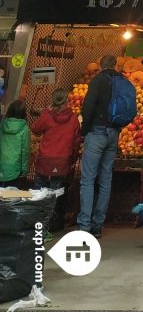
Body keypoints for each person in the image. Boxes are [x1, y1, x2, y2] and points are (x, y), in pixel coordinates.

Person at [77, 54, 134, 237]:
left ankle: (84, 225)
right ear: (116, 65)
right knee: (105, 179)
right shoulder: (122, 81)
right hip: (114, 133)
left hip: (96, 132)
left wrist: (84, 131)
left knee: (88, 179)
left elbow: (88, 106)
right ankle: (97, 225)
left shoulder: (98, 80)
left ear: (100, 65)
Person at [30, 88, 81, 231]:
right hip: (62, 160)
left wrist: (46, 112)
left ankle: (37, 222)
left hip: (45, 159)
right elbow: (76, 141)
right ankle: (51, 224)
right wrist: (73, 158)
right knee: (55, 194)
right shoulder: (73, 119)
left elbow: (35, 128)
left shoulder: (47, 116)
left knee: (39, 191)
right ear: (67, 101)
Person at [0, 100, 30, 187]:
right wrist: (24, 171)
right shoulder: (25, 129)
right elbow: (25, 151)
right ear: (23, 113)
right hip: (14, 170)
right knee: (10, 198)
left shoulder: (2, 125)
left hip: (1, 164)